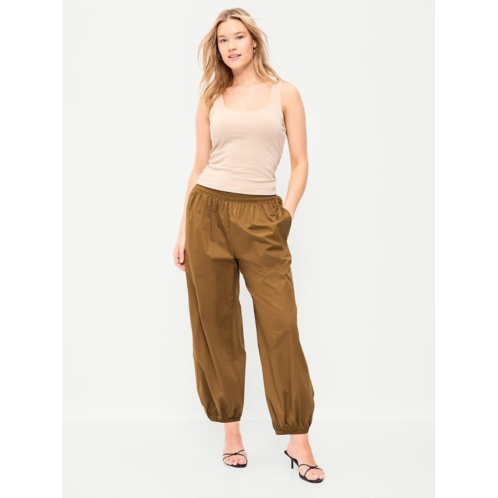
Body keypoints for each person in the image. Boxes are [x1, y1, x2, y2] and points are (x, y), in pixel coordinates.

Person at [173, 8, 325, 484]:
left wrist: (285, 216)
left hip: (262, 216)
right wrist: (183, 229)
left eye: (238, 37)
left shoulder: (285, 93)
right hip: (207, 213)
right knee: (217, 327)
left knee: (281, 326)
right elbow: (199, 165)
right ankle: (231, 433)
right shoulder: (210, 97)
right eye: (223, 40)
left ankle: (298, 439)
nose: (231, 46)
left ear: (254, 41)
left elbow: (300, 162)